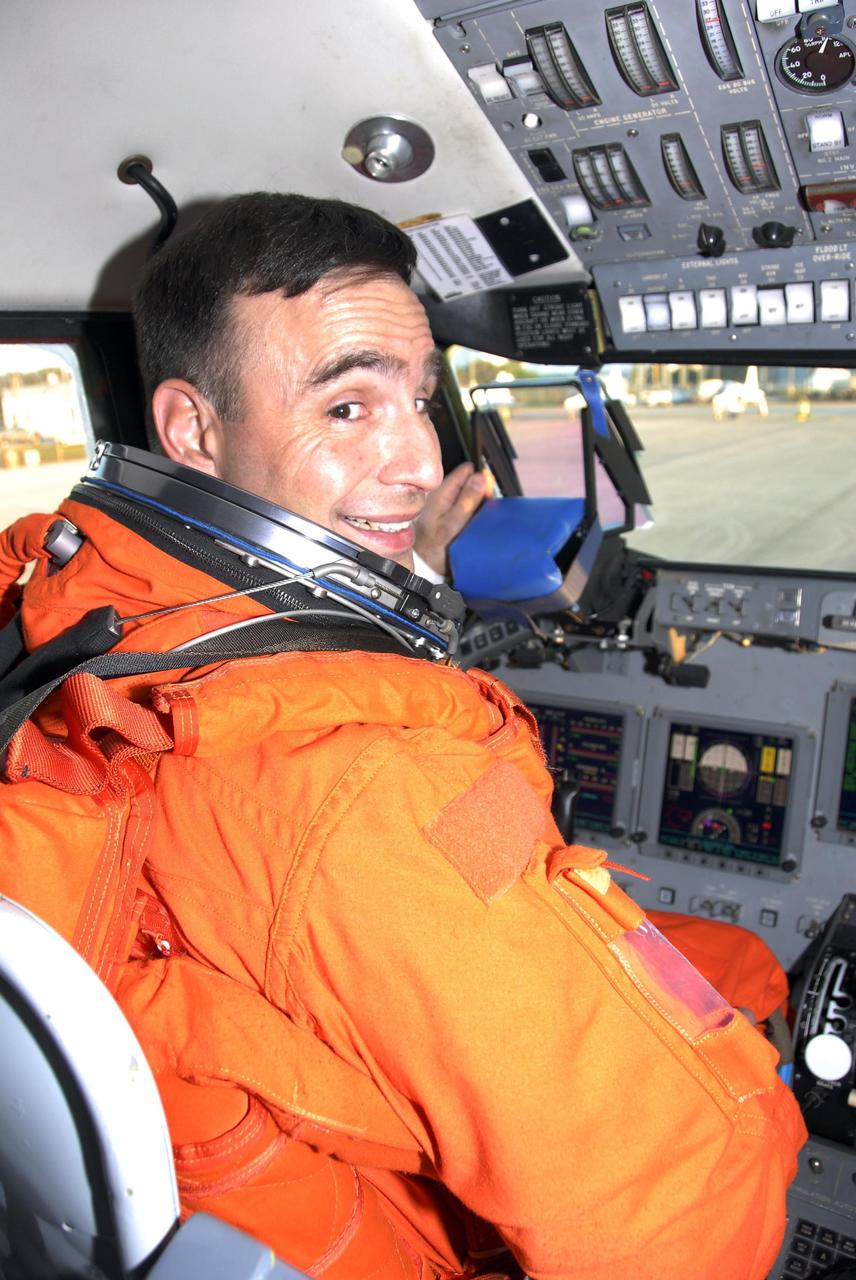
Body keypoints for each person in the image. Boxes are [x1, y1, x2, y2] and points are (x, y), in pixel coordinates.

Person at [0, 193, 806, 1280]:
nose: (421, 461)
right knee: (755, 992)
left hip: (239, 1176)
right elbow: (680, 1227)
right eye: (348, 407)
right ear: (192, 429)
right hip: (407, 1238)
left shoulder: (61, 598)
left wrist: (407, 568)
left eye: (420, 399)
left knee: (728, 957)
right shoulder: (379, 783)